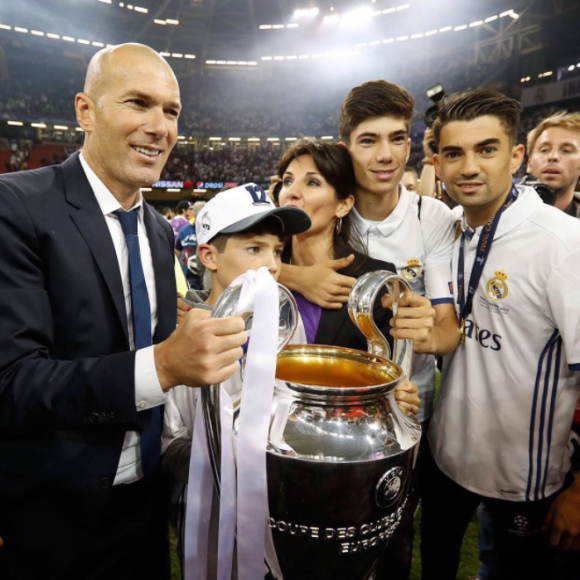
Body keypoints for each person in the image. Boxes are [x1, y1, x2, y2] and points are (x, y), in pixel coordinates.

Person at [0, 44, 247, 580]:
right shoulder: (16, 207)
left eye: (172, 111)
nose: (160, 126)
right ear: (85, 111)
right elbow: (12, 383)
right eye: (139, 103)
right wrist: (161, 366)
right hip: (51, 515)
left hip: (145, 509)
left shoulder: (159, 234)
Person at [165, 181, 422, 570]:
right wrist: (239, 453)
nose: (271, 265)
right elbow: (168, 446)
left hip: (284, 518)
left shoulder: (288, 329)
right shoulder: (180, 338)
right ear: (209, 256)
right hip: (217, 528)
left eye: (277, 251)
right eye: (254, 248)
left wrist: (382, 404)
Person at [278, 81, 460, 580]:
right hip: (308, 413)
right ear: (347, 148)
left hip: (402, 409)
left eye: (398, 139)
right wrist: (295, 275)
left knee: (385, 542)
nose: (386, 155)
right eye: (368, 140)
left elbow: (446, 330)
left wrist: (423, 328)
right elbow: (230, 257)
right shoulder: (318, 207)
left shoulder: (434, 217)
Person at [422, 89, 580, 580]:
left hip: (524, 477)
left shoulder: (563, 245)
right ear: (438, 163)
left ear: (515, 156)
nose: (469, 166)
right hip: (445, 457)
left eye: (486, 149)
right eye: (454, 153)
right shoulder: (445, 230)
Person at [527, 111, 580, 216]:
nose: (553, 156)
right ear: (529, 164)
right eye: (544, 150)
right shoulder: (498, 215)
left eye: (566, 150)